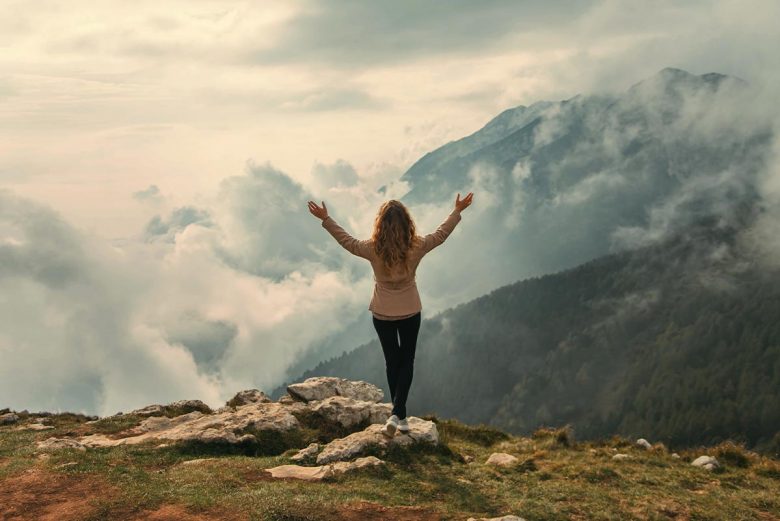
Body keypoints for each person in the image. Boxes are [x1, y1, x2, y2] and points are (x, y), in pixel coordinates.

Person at [307, 192, 474, 437]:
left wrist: (326, 219)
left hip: (383, 313)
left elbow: (347, 241)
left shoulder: (372, 248)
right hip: (409, 311)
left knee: (391, 362)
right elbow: (441, 235)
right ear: (407, 223)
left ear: (380, 224)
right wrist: (457, 211)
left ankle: (399, 416)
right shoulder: (416, 246)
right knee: (407, 361)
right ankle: (398, 414)